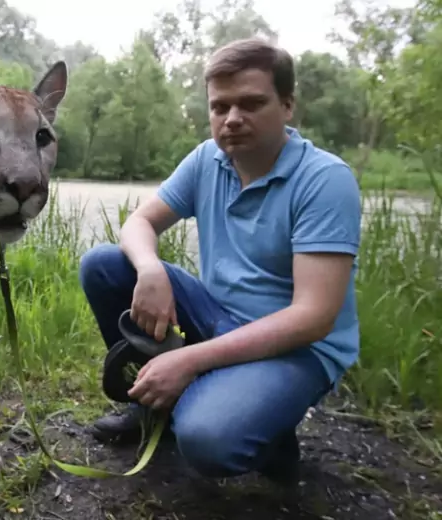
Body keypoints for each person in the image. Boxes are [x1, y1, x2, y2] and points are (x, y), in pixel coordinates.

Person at [78, 37, 362, 487]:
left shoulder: (324, 181)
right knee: (104, 264)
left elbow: (313, 318)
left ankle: (271, 438)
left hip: (296, 348)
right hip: (216, 314)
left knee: (207, 438)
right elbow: (140, 222)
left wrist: (190, 361)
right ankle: (152, 408)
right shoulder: (208, 159)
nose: (232, 119)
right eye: (220, 106)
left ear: (287, 105)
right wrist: (151, 269)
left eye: (251, 103)